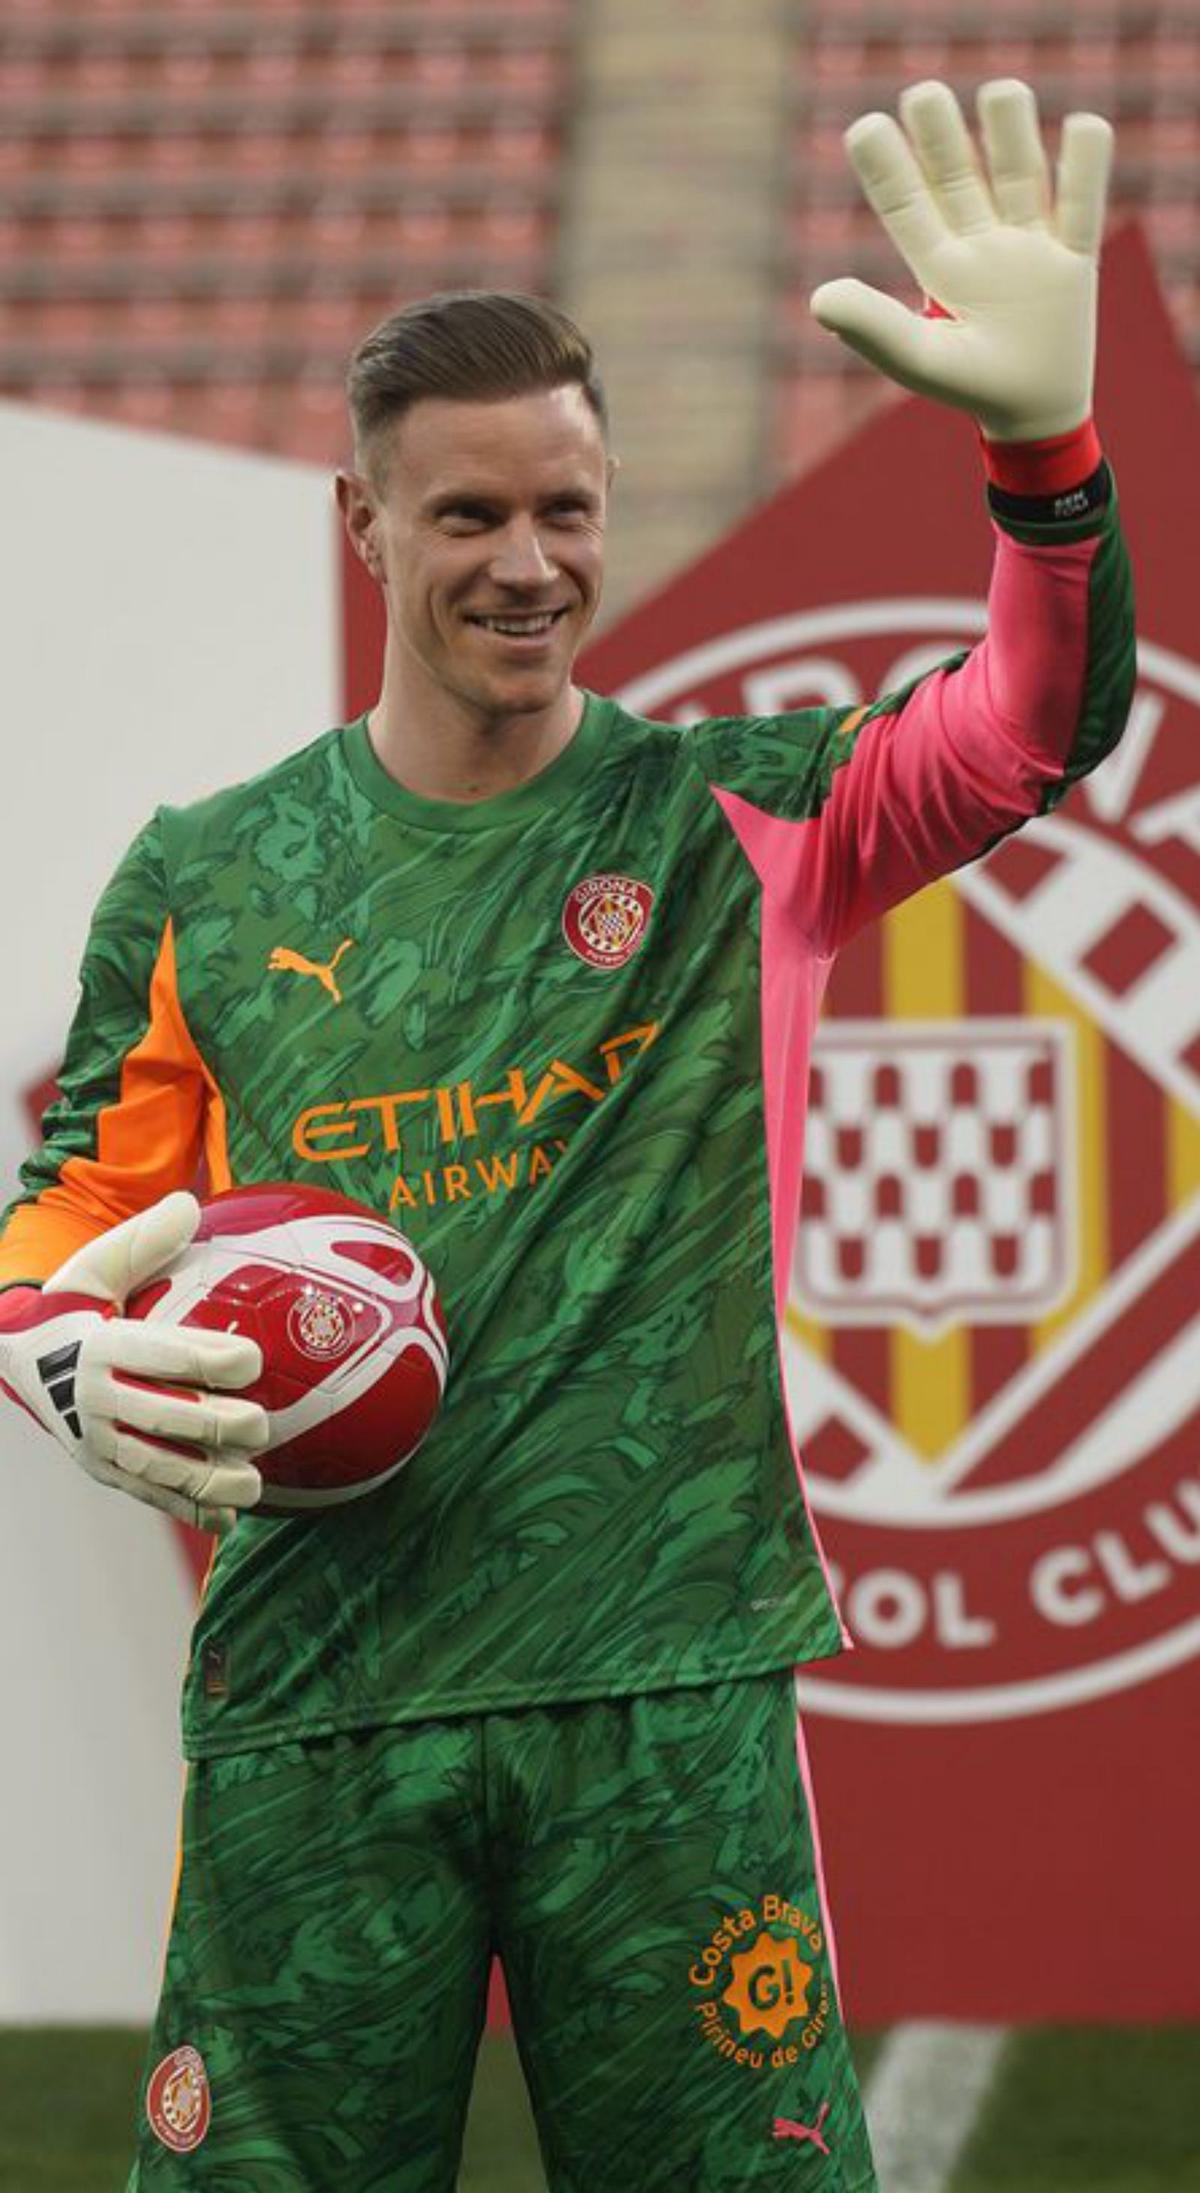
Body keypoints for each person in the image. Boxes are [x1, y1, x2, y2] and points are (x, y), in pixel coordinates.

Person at [0, 78, 1131, 2193]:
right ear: (364, 524)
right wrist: (45, 1336)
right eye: (466, 517)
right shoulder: (210, 874)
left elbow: (1028, 727)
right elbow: (77, 1189)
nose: (530, 565)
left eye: (567, 511)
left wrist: (1047, 470)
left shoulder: (751, 807)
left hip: (664, 1678)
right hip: (318, 1686)